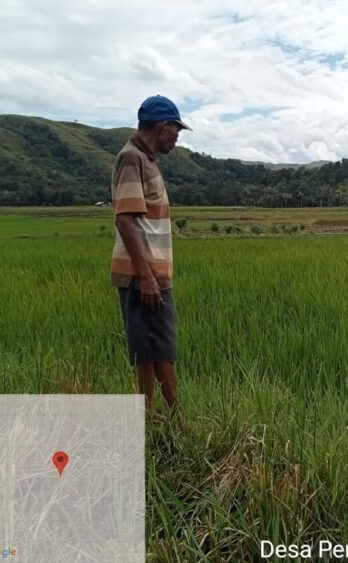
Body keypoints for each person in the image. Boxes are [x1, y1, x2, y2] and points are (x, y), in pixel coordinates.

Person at [111, 95, 192, 421]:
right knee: (163, 349)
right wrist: (146, 277)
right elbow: (125, 219)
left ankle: (146, 414)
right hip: (142, 275)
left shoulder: (145, 160)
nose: (177, 136)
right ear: (163, 126)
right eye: (177, 130)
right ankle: (177, 420)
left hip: (148, 273)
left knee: (147, 349)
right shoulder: (131, 159)